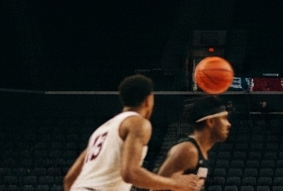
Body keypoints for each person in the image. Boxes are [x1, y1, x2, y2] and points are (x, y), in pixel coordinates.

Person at [64, 74, 204, 191]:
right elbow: (130, 173)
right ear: (148, 100)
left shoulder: (101, 131)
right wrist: (175, 183)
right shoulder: (138, 123)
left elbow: (69, 179)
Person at [155, 96, 232, 182]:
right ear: (210, 122)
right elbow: (156, 187)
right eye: (224, 118)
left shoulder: (200, 151)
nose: (228, 124)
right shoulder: (188, 150)